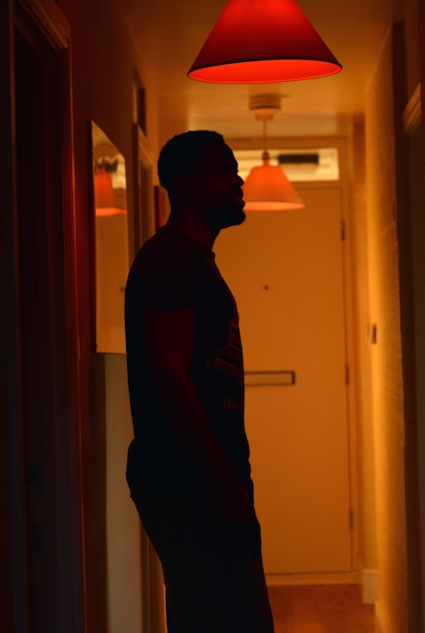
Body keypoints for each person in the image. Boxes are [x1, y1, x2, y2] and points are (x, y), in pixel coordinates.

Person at [124, 130, 274, 632]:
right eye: (222, 170)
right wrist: (222, 486)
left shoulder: (193, 262)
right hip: (190, 485)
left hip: (204, 483)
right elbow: (168, 374)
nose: (237, 181)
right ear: (184, 188)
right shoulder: (170, 259)